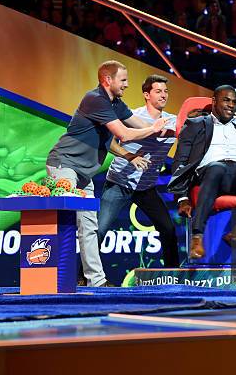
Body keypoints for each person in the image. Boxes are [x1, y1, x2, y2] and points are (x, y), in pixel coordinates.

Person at [46, 60, 167, 287]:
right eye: (123, 80)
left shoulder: (115, 103)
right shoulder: (95, 99)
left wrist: (164, 128)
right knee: (65, 221)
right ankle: (55, 280)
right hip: (64, 165)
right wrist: (153, 129)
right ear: (108, 80)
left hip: (84, 173)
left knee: (90, 227)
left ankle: (96, 281)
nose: (127, 84)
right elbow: (125, 134)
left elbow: (137, 123)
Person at [168, 85, 236, 259]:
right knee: (218, 167)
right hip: (210, 173)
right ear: (214, 101)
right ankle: (197, 237)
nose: (231, 105)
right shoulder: (196, 124)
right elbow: (181, 161)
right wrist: (181, 197)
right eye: (226, 100)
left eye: (234, 102)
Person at [98, 75, 179, 268]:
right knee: (100, 231)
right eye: (158, 91)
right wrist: (129, 156)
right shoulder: (130, 116)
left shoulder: (173, 121)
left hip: (146, 188)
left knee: (168, 229)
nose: (163, 95)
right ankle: (84, 276)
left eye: (166, 91)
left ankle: (174, 277)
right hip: (119, 183)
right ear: (146, 95)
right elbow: (107, 141)